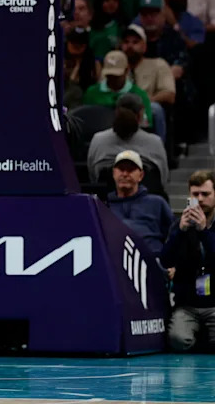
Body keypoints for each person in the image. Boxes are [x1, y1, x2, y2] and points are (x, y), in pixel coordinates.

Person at [160, 171, 215, 352]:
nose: (200, 199)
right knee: (177, 340)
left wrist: (203, 231)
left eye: (205, 194)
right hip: (187, 304)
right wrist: (180, 232)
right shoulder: (180, 225)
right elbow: (165, 260)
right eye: (195, 194)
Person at [87, 94, 168, 184]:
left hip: (105, 196)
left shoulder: (98, 139)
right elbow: (163, 179)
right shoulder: (155, 142)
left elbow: (93, 176)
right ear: (141, 114)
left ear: (116, 112)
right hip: (147, 195)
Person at [105, 151, 172, 257]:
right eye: (121, 169)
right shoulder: (103, 207)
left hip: (153, 262)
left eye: (130, 170)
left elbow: (173, 237)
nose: (125, 174)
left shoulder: (157, 203)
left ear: (141, 175)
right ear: (114, 173)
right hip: (115, 262)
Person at [82, 50, 154, 128]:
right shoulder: (92, 92)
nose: (112, 79)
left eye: (117, 76)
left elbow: (146, 124)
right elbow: (85, 120)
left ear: (126, 70)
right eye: (109, 75)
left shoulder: (139, 94)